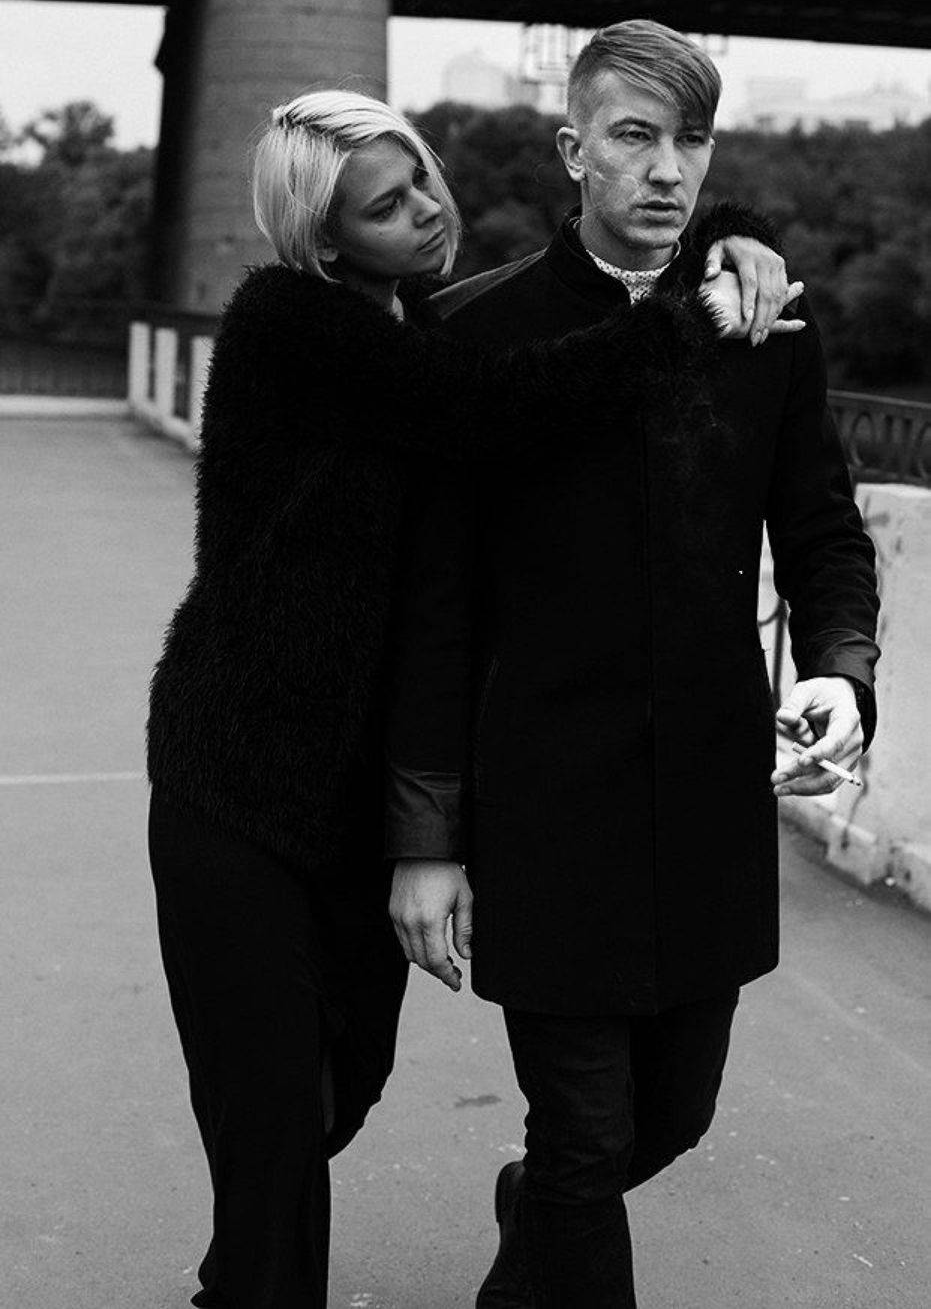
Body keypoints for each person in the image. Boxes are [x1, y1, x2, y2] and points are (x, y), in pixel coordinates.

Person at [146, 86, 796, 1309]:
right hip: (236, 779)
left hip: (356, 799)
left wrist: (729, 234)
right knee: (275, 1120)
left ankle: (259, 1240)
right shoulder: (292, 325)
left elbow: (540, 337)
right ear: (323, 238)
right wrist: (685, 313)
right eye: (385, 209)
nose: (426, 213)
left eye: (423, 182)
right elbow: (498, 407)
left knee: (344, 1087)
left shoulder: (423, 323)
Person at [386, 22, 881, 1308]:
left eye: (692, 140)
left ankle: (541, 1209)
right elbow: (434, 608)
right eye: (634, 136)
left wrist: (839, 670)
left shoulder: (765, 325)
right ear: (573, 151)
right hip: (543, 802)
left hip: (707, 800)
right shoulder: (474, 332)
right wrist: (426, 838)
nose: (668, 169)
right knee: (584, 1138)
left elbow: (823, 534)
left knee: (667, 1121)